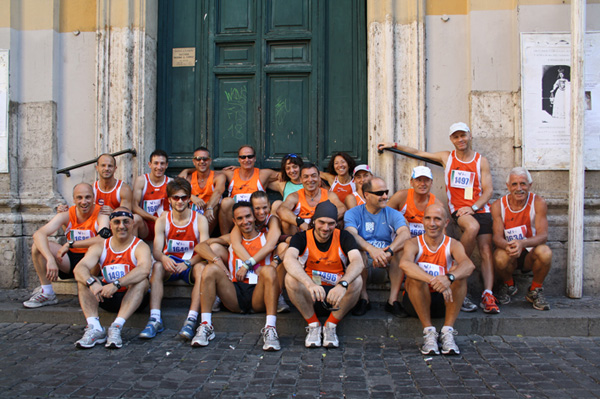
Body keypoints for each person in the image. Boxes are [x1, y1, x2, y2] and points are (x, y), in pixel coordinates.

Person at [378, 122, 496, 314]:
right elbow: (419, 152)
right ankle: (458, 268)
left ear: (469, 136)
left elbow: (489, 190)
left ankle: (488, 293)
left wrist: (474, 207)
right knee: (472, 228)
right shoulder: (446, 157)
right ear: (451, 139)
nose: (460, 140)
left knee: (486, 249)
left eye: (463, 135)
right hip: (460, 209)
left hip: (479, 208)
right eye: (456, 137)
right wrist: (394, 145)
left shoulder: (480, 161)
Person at [193, 201, 281, 351]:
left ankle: (270, 328)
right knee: (209, 269)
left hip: (259, 293)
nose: (245, 221)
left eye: (248, 216)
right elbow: (200, 246)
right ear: (234, 221)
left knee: (270, 270)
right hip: (235, 292)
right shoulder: (231, 238)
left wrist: (276, 260)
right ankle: (206, 325)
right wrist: (218, 263)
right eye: (239, 218)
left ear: (254, 217)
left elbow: (291, 243)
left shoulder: (266, 237)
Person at [284, 201, 363, 348]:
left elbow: (358, 262)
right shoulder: (301, 237)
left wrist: (343, 284)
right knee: (290, 279)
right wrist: (309, 283)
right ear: (314, 221)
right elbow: (288, 259)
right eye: (321, 222)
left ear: (336, 223)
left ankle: (330, 326)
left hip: (337, 296)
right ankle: (313, 325)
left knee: (357, 280)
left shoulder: (344, 237)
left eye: (331, 223)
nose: (326, 228)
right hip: (311, 294)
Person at [139, 178, 210, 340]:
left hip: (191, 263)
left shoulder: (200, 220)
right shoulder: (163, 220)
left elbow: (205, 250)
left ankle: (191, 319)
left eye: (184, 197)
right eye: (176, 198)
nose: (180, 201)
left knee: (202, 269)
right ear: (169, 199)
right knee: (157, 266)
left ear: (189, 199)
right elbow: (156, 250)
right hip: (170, 262)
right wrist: (163, 259)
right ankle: (155, 318)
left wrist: (188, 263)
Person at [399, 204, 475, 355]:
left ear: (446, 223)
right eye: (428, 218)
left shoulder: (453, 244)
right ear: (423, 221)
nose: (432, 223)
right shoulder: (413, 243)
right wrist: (434, 280)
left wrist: (449, 277)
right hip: (416, 301)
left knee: (458, 274)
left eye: (437, 219)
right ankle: (429, 333)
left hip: (444, 300)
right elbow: (405, 264)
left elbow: (469, 265)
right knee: (415, 277)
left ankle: (447, 332)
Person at [73, 207, 153, 349]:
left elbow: (144, 270)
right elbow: (79, 268)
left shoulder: (140, 246)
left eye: (126, 222)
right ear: (110, 225)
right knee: (84, 279)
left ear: (133, 223)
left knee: (142, 281)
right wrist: (92, 283)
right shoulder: (100, 245)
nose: (121, 226)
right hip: (106, 296)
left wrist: (116, 284)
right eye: (116, 222)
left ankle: (116, 327)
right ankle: (94, 327)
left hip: (132, 297)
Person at [23, 183, 109, 308]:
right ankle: (47, 292)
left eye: (87, 197)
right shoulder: (67, 214)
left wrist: (71, 244)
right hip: (70, 259)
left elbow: (103, 239)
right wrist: (50, 259)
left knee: (98, 250)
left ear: (93, 198)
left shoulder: (100, 213)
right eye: (79, 198)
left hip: (92, 261)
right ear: (74, 199)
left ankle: (89, 288)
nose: (84, 201)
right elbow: (39, 234)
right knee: (37, 247)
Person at [344, 177, 411, 316]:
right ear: (367, 195)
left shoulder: (393, 213)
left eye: (386, 192)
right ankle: (363, 299)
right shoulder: (353, 213)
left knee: (402, 250)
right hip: (362, 265)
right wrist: (371, 249)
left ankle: (393, 301)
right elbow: (350, 235)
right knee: (357, 251)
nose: (385, 196)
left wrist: (389, 252)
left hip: (387, 262)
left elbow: (405, 234)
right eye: (380, 193)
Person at [492, 167, 552, 311]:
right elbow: (497, 237)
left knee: (546, 252)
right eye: (514, 184)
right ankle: (509, 285)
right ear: (508, 186)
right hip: (510, 251)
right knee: (499, 257)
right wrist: (509, 246)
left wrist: (523, 243)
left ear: (530, 185)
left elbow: (543, 235)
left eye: (523, 184)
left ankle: (535, 290)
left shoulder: (538, 202)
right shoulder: (498, 205)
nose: (519, 188)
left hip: (530, 251)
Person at [230, 191, 290, 313]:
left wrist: (248, 265)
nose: (261, 212)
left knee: (283, 247)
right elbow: (236, 245)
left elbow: (270, 246)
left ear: (269, 205)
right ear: (251, 208)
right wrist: (254, 265)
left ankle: (278, 294)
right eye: (257, 208)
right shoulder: (244, 219)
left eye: (264, 207)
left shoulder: (272, 220)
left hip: (268, 253)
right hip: (252, 257)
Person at [218, 145, 279, 234]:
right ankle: (226, 238)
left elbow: (285, 175)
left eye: (250, 157)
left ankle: (268, 234)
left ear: (254, 158)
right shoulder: (231, 174)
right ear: (239, 159)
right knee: (226, 202)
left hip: (257, 218)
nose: (247, 160)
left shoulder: (263, 174)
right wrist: (190, 170)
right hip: (236, 220)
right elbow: (208, 173)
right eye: (243, 157)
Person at [278, 162, 346, 235]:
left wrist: (320, 222)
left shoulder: (329, 195)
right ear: (301, 179)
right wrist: (302, 223)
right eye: (306, 177)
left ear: (319, 177)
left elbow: (342, 208)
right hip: (301, 234)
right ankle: (293, 243)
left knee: (340, 221)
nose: (310, 180)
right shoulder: (295, 196)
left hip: (324, 232)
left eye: (313, 176)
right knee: (285, 221)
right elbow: (281, 210)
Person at [388, 166, 444, 237]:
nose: (422, 184)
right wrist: (399, 217)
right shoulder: (401, 196)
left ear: (431, 183)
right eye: (418, 180)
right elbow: (383, 214)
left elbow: (442, 232)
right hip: (401, 240)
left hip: (425, 242)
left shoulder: (437, 204)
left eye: (426, 180)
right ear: (411, 182)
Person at [182, 146, 226, 234]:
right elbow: (175, 189)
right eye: (198, 159)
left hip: (210, 213)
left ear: (210, 161)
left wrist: (209, 207)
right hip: (191, 213)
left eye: (205, 159)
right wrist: (191, 197)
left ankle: (203, 237)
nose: (202, 161)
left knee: (215, 207)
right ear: (194, 162)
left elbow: (218, 192)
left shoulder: (218, 176)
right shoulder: (188, 178)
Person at [132, 150, 172, 241]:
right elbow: (134, 206)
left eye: (162, 164)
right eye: (156, 163)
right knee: (135, 218)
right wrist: (154, 219)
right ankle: (132, 250)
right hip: (146, 225)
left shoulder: (170, 182)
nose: (159, 167)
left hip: (164, 225)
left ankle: (167, 252)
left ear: (166, 165)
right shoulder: (142, 180)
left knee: (167, 214)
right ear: (150, 164)